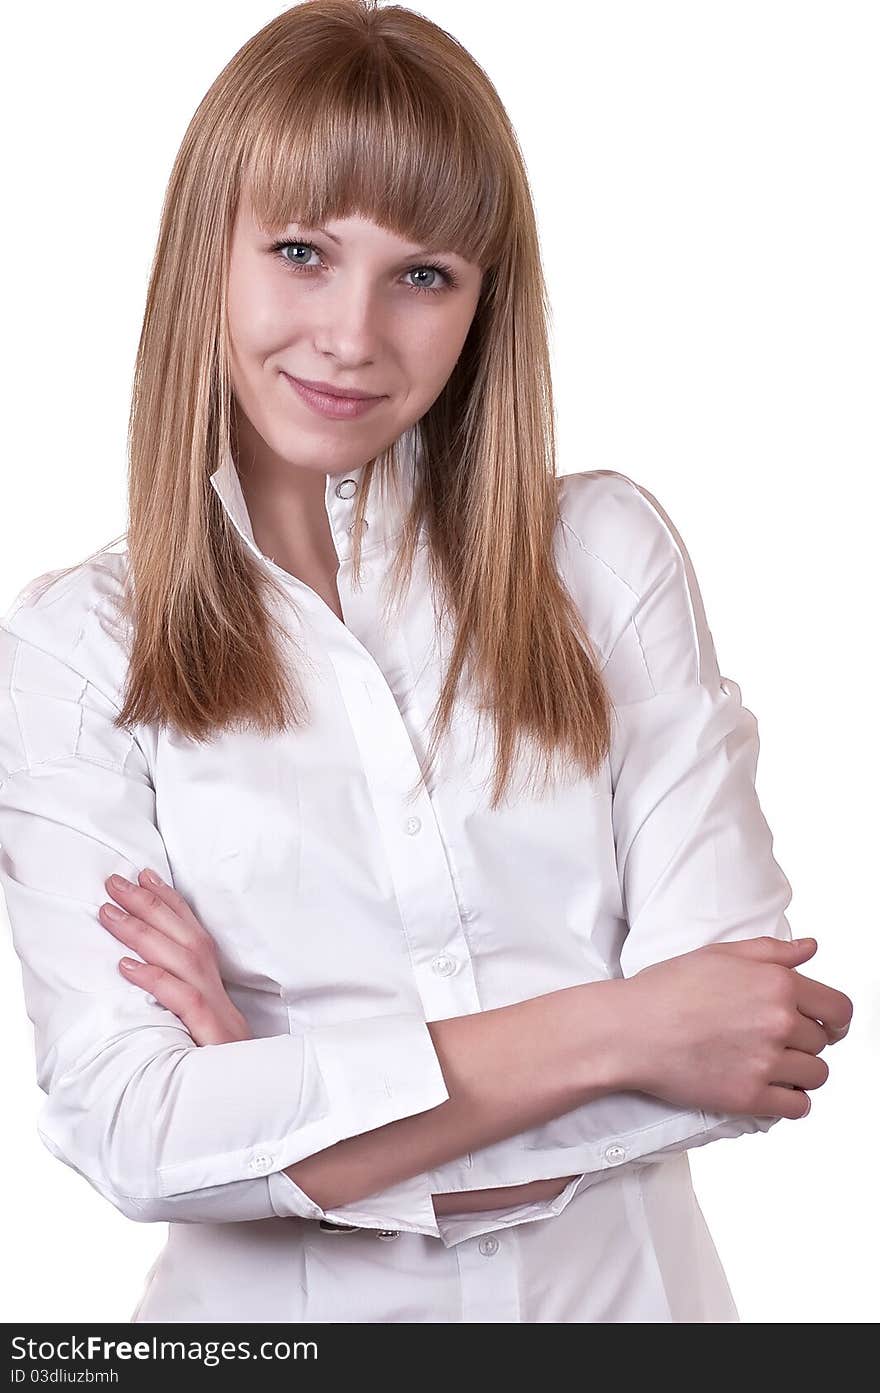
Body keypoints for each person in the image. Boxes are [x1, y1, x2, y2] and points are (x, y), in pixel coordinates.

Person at [0, 0, 852, 1324]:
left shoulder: (606, 560)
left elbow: (751, 1047)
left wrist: (288, 1115)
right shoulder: (74, 651)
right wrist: (625, 1028)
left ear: (480, 305)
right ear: (203, 255)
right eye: (300, 252)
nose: (352, 334)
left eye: (424, 274)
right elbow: (133, 1130)